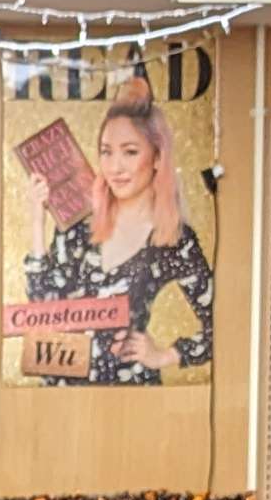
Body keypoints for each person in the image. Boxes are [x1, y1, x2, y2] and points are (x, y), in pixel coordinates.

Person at [22, 91, 215, 384]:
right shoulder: (78, 226)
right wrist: (37, 220)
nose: (115, 167)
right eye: (106, 151)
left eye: (130, 151)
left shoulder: (173, 238)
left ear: (157, 157)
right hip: (65, 394)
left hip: (131, 395)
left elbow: (224, 327)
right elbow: (43, 308)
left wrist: (164, 355)